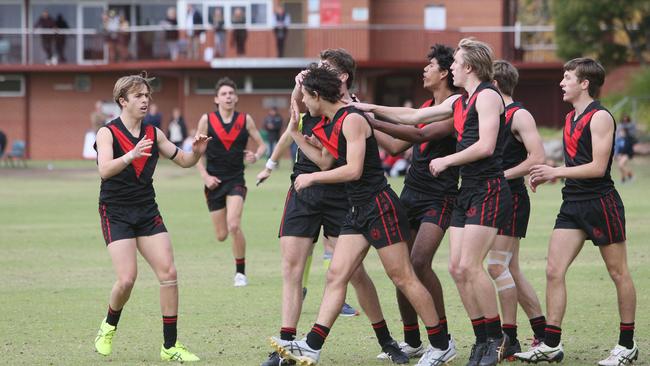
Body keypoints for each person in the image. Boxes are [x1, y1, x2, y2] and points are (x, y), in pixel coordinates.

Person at [271, 65, 455, 366]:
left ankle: (440, 343)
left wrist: (312, 180)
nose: (304, 102)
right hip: (357, 209)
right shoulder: (330, 121)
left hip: (379, 207)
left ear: (318, 95)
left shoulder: (352, 119)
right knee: (336, 275)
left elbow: (353, 170)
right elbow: (323, 160)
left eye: (306, 96)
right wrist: (293, 131)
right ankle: (313, 346)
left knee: (403, 276)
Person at [351, 38, 514, 366]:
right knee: (457, 268)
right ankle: (481, 340)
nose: (451, 67)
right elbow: (412, 117)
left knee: (469, 266)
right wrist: (366, 109)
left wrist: (448, 162)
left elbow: (485, 146)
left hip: (488, 190)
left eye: (455, 63)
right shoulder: (462, 101)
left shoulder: (486, 96)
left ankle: (496, 339)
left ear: (468, 67)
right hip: (467, 192)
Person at [257, 50, 408, 366]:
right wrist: (271, 163)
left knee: (355, 274)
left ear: (341, 78)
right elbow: (293, 121)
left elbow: (389, 145)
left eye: (325, 68)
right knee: (292, 268)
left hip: (342, 194)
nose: (316, 70)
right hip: (304, 187)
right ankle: (286, 344)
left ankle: (386, 339)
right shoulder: (308, 94)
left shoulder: (351, 110)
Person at [515, 58, 638, 365]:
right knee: (553, 270)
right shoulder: (570, 118)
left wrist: (556, 172)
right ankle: (552, 344)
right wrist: (549, 175)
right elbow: (576, 165)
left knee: (618, 272)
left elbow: (597, 168)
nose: (561, 82)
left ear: (585, 83)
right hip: (572, 204)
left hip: (600, 203)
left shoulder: (600, 118)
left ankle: (626, 345)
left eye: (567, 77)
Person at [92, 73, 209, 362]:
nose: (145, 100)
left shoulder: (154, 133)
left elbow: (183, 160)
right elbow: (104, 170)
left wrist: (196, 154)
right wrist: (130, 155)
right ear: (123, 101)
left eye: (147, 95)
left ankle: (170, 347)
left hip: (146, 210)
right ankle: (108, 326)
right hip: (115, 211)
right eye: (138, 96)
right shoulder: (106, 133)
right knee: (127, 278)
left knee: (168, 274)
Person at [369, 44, 460, 361]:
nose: (425, 69)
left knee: (419, 262)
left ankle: (444, 341)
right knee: (401, 267)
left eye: (430, 65)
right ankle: (412, 340)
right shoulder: (424, 105)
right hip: (411, 192)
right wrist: (365, 122)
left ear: (445, 72)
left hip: (440, 195)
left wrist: (371, 117)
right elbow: (395, 146)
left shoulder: (455, 106)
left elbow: (421, 136)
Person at [488, 60, 547, 359]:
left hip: (511, 199)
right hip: (495, 197)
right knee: (510, 268)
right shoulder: (493, 117)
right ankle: (543, 334)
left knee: (497, 266)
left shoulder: (518, 114)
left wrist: (501, 176)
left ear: (496, 85)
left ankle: (508, 338)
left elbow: (538, 156)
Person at [195, 77, 266, 287]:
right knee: (221, 235)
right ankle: (236, 263)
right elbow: (197, 152)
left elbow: (262, 146)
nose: (228, 97)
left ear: (236, 98)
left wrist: (256, 156)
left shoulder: (246, 120)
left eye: (231, 93)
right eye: (224, 94)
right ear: (216, 99)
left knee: (234, 225)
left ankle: (240, 273)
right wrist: (205, 177)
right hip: (214, 182)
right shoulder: (207, 120)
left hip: (236, 180)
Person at [615, 115, 636, 183]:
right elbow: (617, 146)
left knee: (621, 165)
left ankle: (631, 175)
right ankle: (623, 179)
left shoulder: (628, 138)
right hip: (620, 153)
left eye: (626, 121)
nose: (620, 132)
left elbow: (628, 147)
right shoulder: (618, 139)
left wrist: (621, 153)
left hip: (627, 153)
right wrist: (617, 154)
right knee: (621, 166)